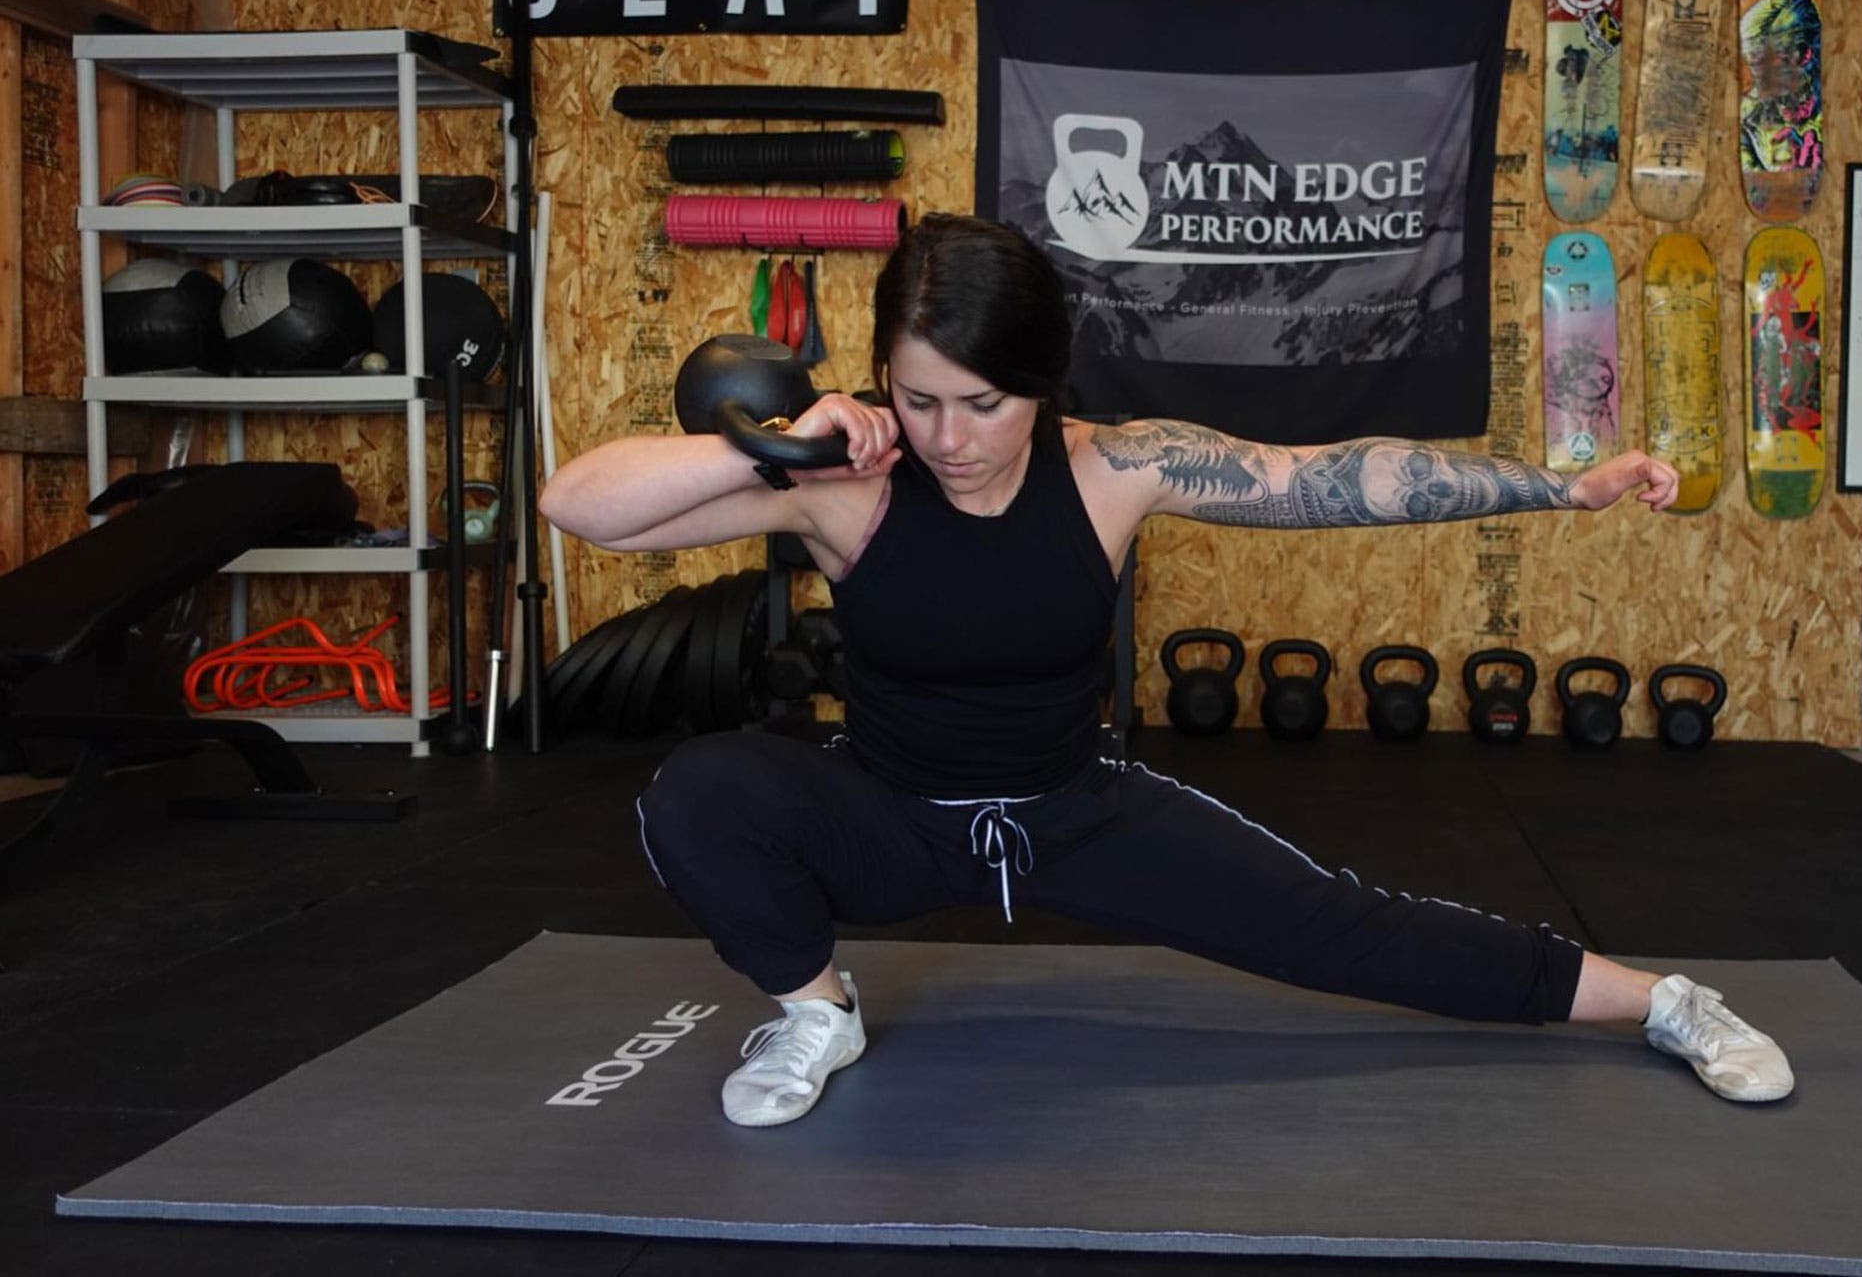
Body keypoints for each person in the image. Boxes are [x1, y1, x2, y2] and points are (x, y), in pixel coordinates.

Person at [539, 214, 1794, 1128]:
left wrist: (1563, 488)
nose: (950, 439)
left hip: (1079, 812)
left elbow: (1336, 480)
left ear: (1040, 380)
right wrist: (779, 446)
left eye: (983, 402)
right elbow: (580, 504)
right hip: (892, 815)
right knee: (700, 794)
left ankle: (1665, 1001)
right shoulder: (841, 485)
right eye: (920, 402)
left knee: (1343, 931)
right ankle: (819, 1010)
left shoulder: (1116, 466)